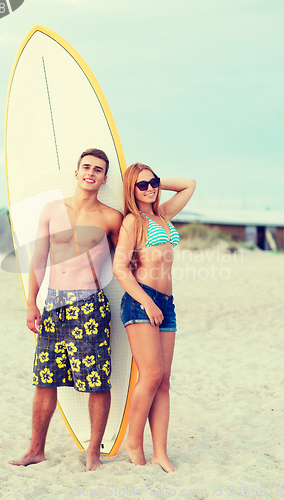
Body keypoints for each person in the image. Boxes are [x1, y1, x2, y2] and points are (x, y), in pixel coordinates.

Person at [10, 148, 123, 471]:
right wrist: (31, 302)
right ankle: (36, 449)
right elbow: (39, 258)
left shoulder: (110, 218)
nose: (91, 172)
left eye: (98, 169)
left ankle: (93, 454)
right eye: (86, 167)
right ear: (76, 173)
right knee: (45, 379)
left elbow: (126, 259)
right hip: (53, 304)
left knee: (97, 381)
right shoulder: (52, 209)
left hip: (89, 306)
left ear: (103, 178)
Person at [113, 163, 196, 472]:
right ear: (131, 190)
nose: (150, 188)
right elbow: (120, 268)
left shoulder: (162, 214)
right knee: (149, 375)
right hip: (141, 301)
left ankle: (160, 451)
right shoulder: (133, 222)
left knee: (163, 380)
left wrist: (155, 178)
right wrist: (147, 302)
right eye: (142, 185)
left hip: (167, 302)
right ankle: (134, 442)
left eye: (154, 182)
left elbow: (189, 183)